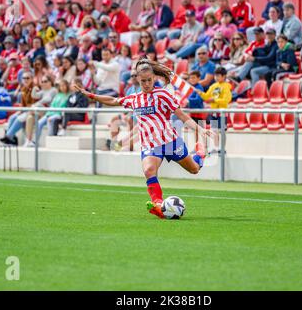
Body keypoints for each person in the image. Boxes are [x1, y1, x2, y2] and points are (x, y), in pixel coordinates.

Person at [73, 59, 212, 219]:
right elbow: (113, 100)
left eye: (149, 80)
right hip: (151, 146)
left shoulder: (163, 95)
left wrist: (199, 128)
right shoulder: (134, 98)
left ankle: (200, 153)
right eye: (143, 81)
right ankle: (159, 205)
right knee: (148, 170)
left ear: (154, 78)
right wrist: (90, 95)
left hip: (170, 142)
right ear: (138, 80)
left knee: (194, 169)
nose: (146, 84)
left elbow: (181, 115)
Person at [194, 66, 231, 154]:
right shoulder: (213, 86)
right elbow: (207, 96)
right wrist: (200, 93)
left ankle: (222, 148)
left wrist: (214, 100)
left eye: (218, 76)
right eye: (215, 76)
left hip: (222, 113)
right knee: (214, 131)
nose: (216, 77)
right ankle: (216, 147)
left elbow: (227, 99)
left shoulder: (226, 86)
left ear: (224, 76)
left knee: (222, 131)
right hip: (214, 112)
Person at [0, 72, 35, 146]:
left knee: (19, 118)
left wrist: (22, 110)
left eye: (28, 78)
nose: (25, 80)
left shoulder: (34, 88)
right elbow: (22, 104)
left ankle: (8, 136)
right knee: (12, 117)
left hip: (33, 112)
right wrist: (20, 111)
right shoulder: (23, 89)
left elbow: (33, 104)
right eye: (24, 78)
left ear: (32, 79)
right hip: (26, 110)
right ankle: (12, 139)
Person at [186, 70, 206, 146]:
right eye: (190, 78)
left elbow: (198, 99)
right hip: (193, 112)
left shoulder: (199, 87)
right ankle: (197, 147)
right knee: (195, 131)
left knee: (202, 130)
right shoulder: (190, 87)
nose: (192, 79)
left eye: (194, 78)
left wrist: (188, 100)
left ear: (198, 78)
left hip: (199, 112)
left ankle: (205, 148)